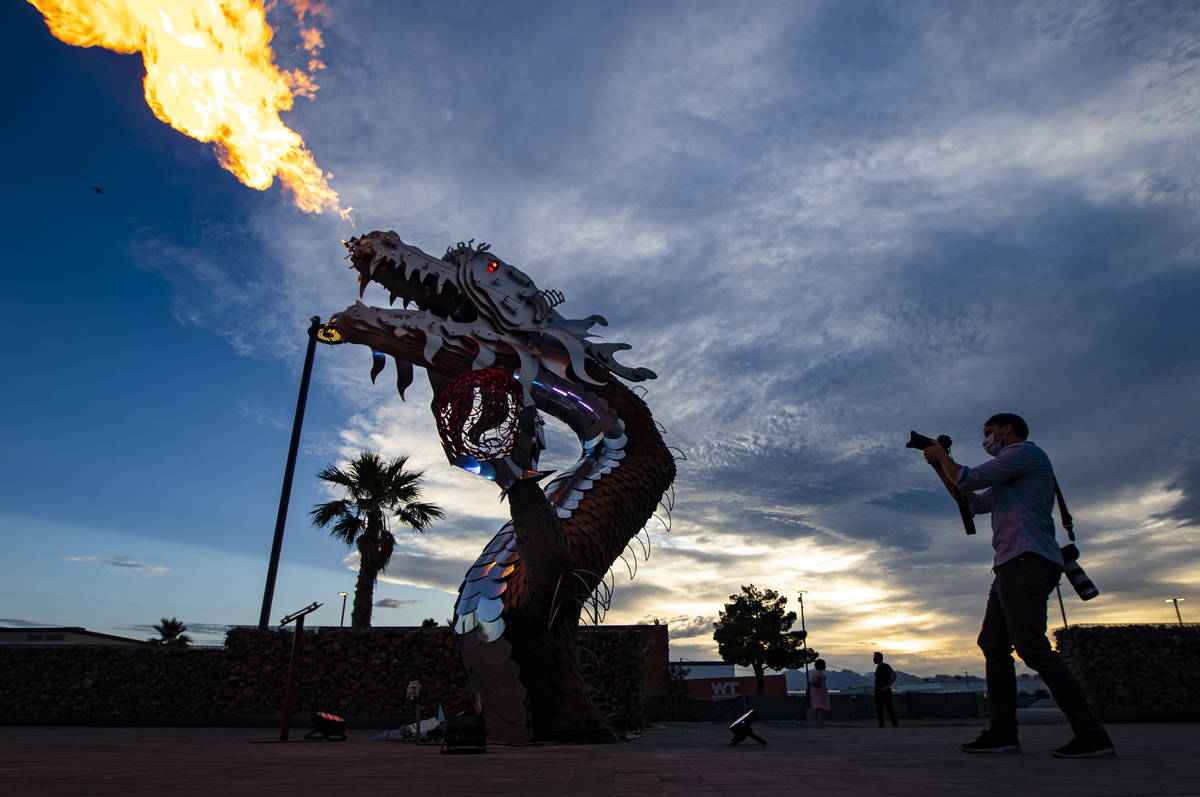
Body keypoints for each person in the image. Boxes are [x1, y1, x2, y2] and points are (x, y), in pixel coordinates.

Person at [924, 413, 1115, 758]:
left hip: (1027, 560)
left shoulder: (1024, 454)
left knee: (1031, 646)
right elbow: (971, 502)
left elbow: (969, 479)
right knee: (994, 644)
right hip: (1011, 564)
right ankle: (1002, 733)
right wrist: (940, 467)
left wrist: (945, 458)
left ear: (1006, 428)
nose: (986, 438)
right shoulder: (1009, 476)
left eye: (989, 431)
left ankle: (1091, 733)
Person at [873, 651, 898, 727]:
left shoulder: (886, 666)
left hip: (885, 691)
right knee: (879, 709)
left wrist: (887, 686)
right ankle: (881, 725)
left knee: (889, 707)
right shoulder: (877, 668)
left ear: (879, 658)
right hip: (878, 692)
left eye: (875, 657)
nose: (873, 659)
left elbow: (894, 676)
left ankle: (895, 725)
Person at [808, 658, 831, 728]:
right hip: (820, 694)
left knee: (819, 710)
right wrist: (822, 678)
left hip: (816, 694)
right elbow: (817, 682)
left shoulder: (815, 673)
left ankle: (820, 724)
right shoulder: (819, 673)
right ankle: (821, 725)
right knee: (821, 709)